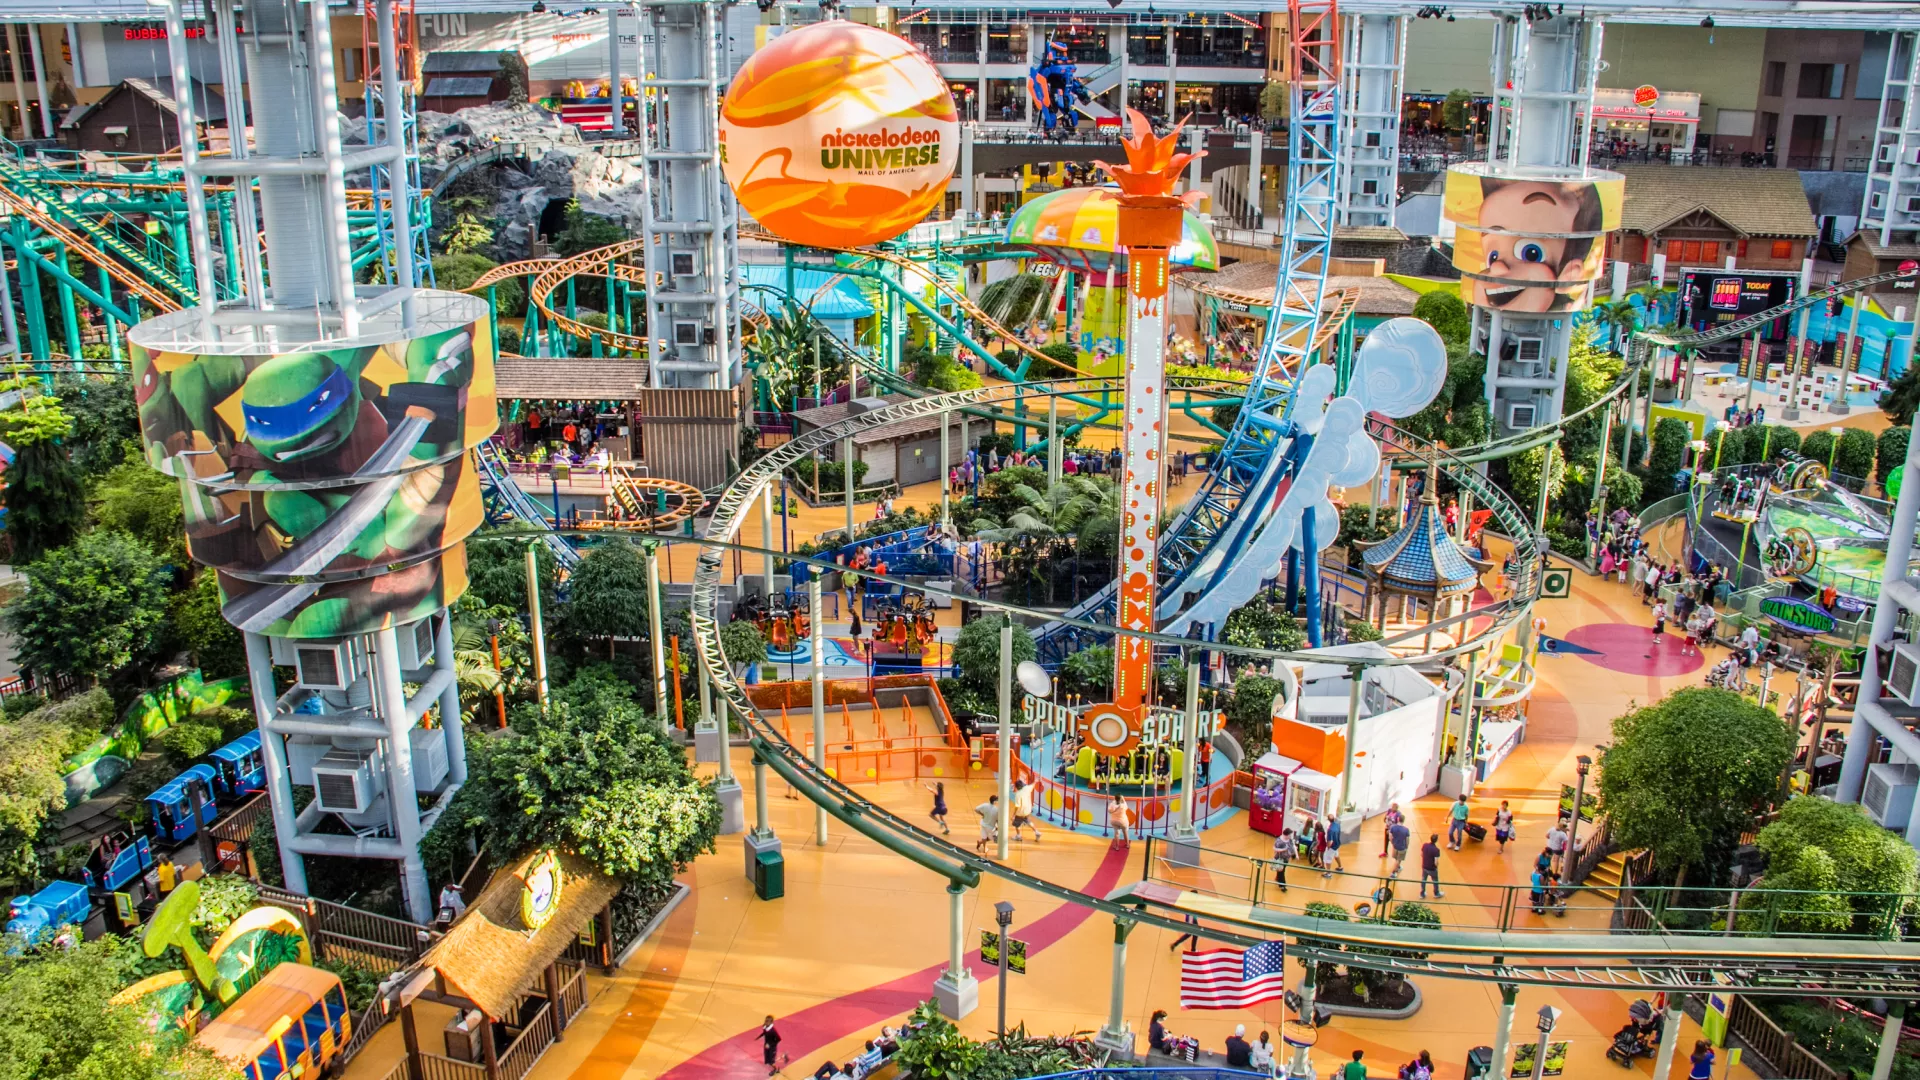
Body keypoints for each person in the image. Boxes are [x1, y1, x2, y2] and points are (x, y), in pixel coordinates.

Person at [1420, 833, 1445, 898]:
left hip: (1424, 867)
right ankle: (1436, 893)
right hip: (1432, 869)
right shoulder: (1436, 850)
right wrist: (1436, 867)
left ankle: (1422, 894)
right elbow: (1436, 862)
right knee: (1435, 881)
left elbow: (1421, 854)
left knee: (1423, 880)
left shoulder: (1425, 845)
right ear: (1436, 840)